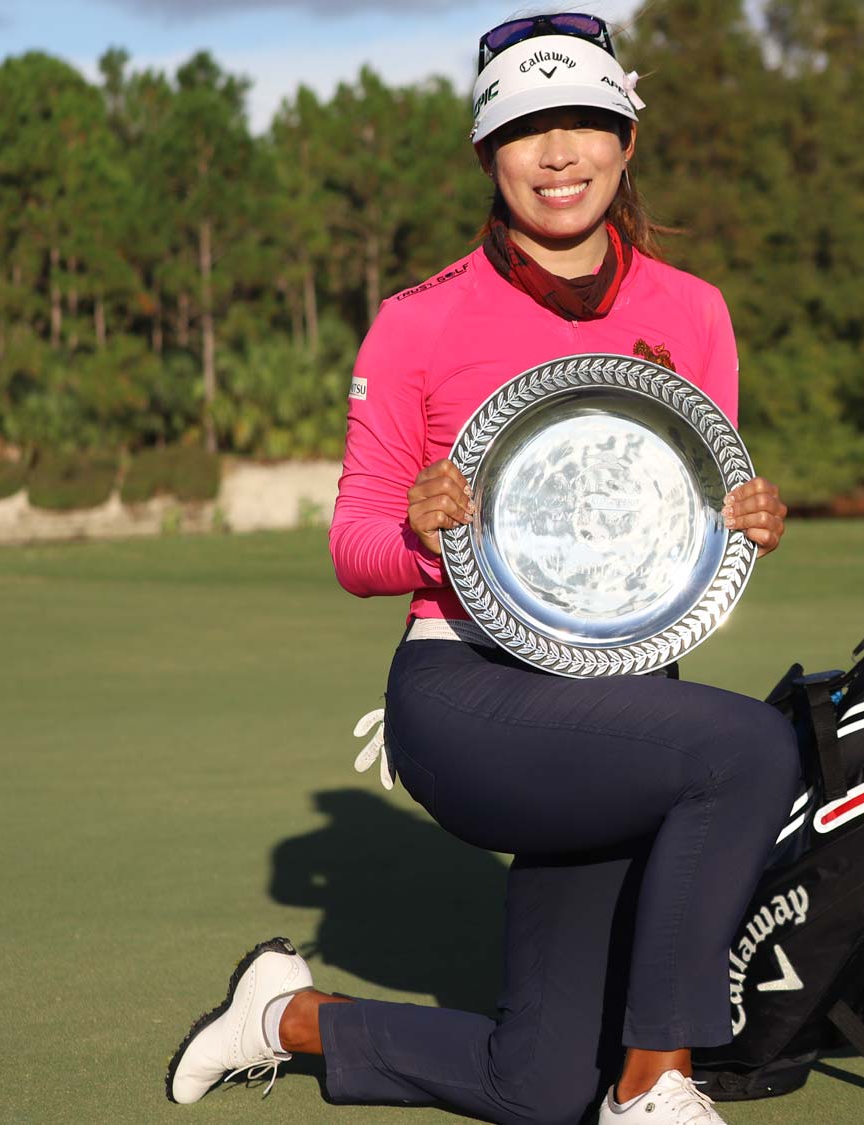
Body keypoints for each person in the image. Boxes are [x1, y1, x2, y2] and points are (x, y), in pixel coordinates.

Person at [164, 14, 799, 1124]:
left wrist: (739, 519)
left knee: (541, 1084)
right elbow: (352, 546)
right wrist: (418, 526)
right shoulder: (419, 321)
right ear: (485, 153)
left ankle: (283, 1017)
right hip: (467, 695)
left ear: (626, 141)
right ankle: (660, 1081)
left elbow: (678, 533)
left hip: (616, 705)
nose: (557, 155)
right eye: (524, 130)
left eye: (584, 125)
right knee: (748, 746)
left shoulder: (692, 311)